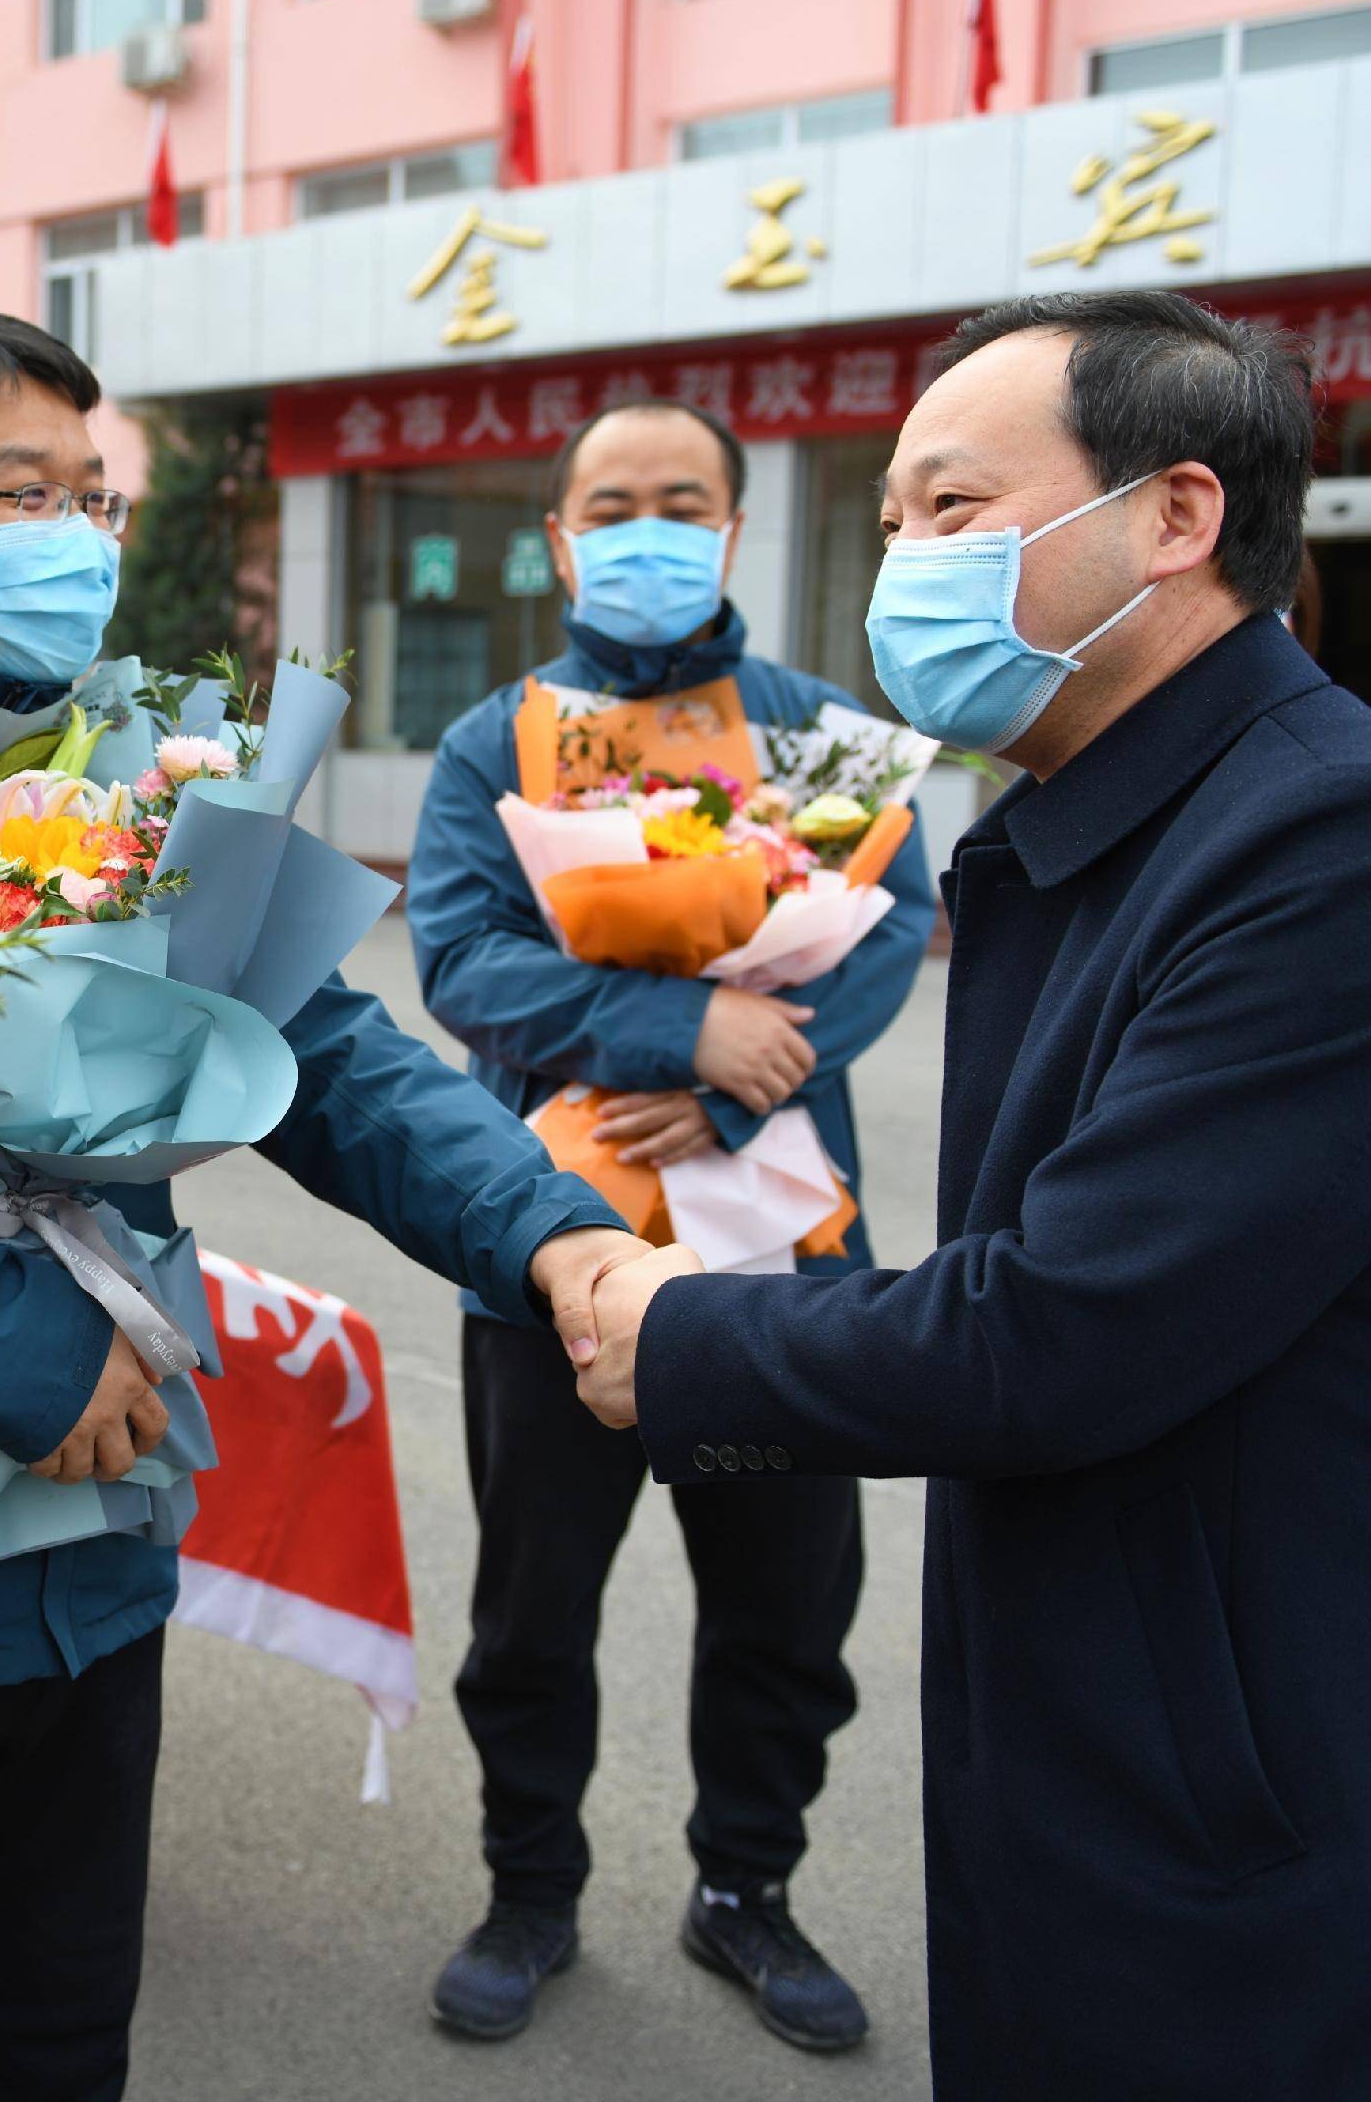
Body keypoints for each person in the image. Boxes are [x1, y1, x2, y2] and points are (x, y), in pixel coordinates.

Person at [0, 307, 645, 2102]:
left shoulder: (137, 790)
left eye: (91, 492)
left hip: (90, 1547)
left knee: (60, 2029)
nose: (76, 534)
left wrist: (548, 1227)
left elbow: (332, 1057)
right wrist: (10, 1347)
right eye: (19, 492)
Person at [576, 290, 1371, 2096]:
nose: (899, 564)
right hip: (1122, 1732)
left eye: (950, 511)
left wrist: (675, 1335)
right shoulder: (1091, 820)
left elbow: (1064, 1322)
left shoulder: (1342, 837)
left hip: (1300, 1792)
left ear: (1172, 516)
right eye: (887, 521)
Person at [402, 398, 925, 2054]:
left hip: (776, 1249)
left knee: (782, 1597)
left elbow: (884, 927)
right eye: (607, 503)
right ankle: (527, 1884)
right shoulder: (496, 739)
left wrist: (747, 1079)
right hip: (554, 1246)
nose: (642, 528)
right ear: (558, 539)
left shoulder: (821, 734)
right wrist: (664, 1036)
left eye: (676, 500)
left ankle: (743, 1889)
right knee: (531, 1601)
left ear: (727, 528)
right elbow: (459, 960)